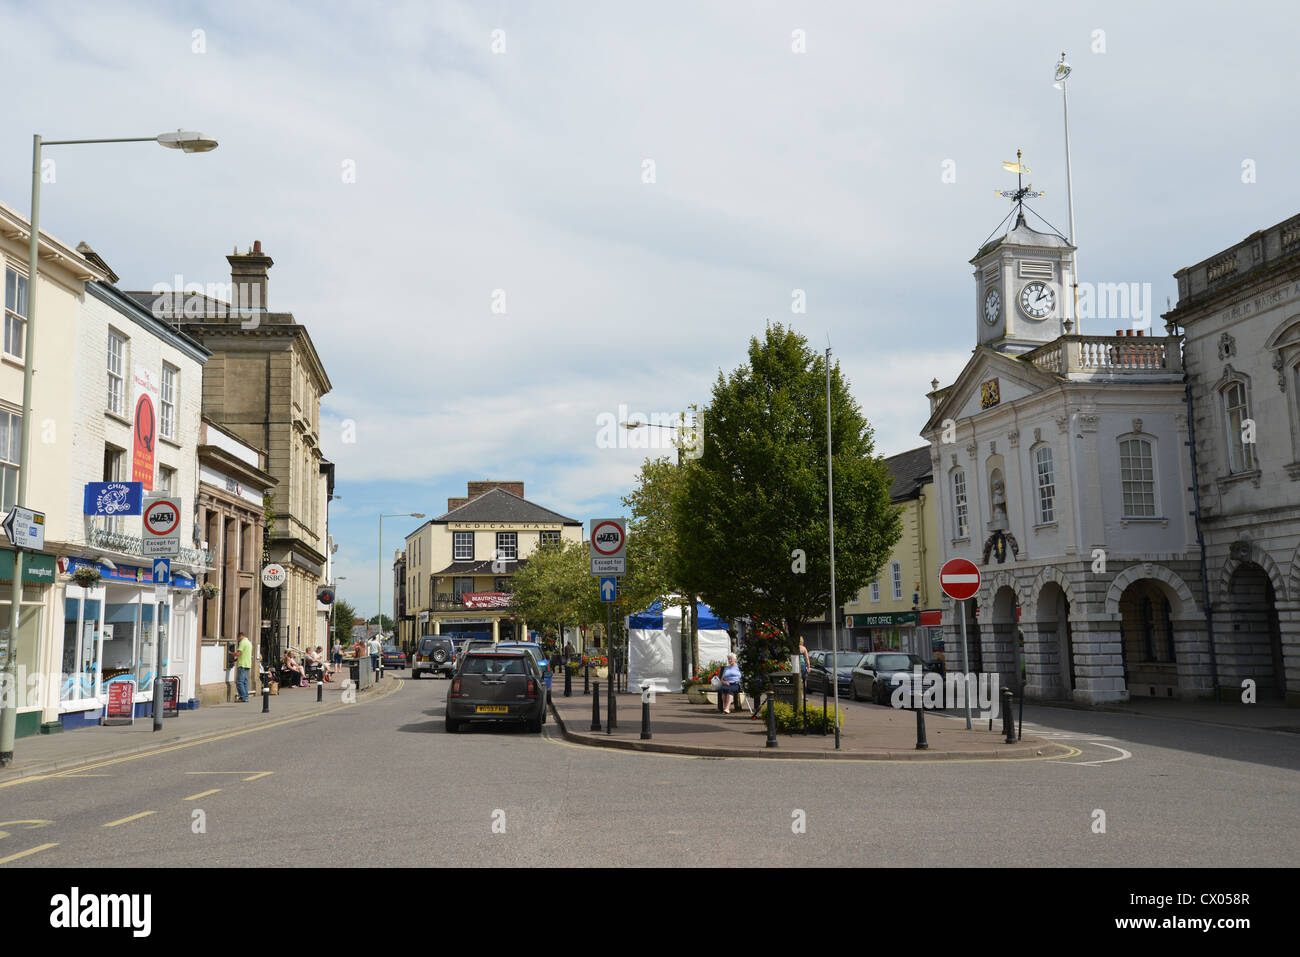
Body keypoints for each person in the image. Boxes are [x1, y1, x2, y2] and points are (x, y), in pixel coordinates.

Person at [233, 632, 252, 702]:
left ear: (240, 637)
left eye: (238, 639)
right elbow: (245, 654)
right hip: (247, 664)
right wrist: (237, 659)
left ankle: (243, 697)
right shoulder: (249, 642)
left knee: (239, 682)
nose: (238, 640)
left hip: (242, 665)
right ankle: (246, 697)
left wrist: (230, 653)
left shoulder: (242, 642)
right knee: (245, 682)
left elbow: (238, 653)